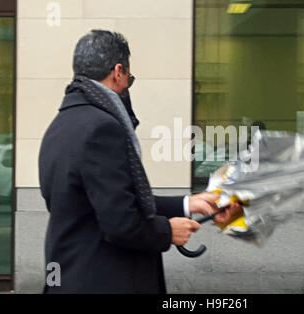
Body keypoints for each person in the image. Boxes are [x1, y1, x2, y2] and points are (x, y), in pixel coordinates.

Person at [38, 30, 240, 294]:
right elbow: (120, 222)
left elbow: (108, 201)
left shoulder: (60, 125)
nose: (127, 87)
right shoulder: (102, 128)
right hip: (103, 280)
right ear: (118, 71)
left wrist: (188, 204)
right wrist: (167, 231)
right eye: (129, 79)